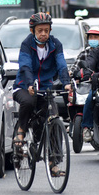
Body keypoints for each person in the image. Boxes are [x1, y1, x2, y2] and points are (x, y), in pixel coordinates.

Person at [12, 13, 71, 166]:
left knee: (53, 117)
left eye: (46, 30)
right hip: (24, 85)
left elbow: (61, 64)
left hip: (45, 87)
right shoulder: (27, 44)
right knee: (29, 102)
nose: (44, 34)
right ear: (33, 31)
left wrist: (66, 82)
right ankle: (21, 131)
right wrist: (30, 84)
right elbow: (25, 66)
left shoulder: (56, 44)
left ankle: (54, 163)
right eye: (40, 30)